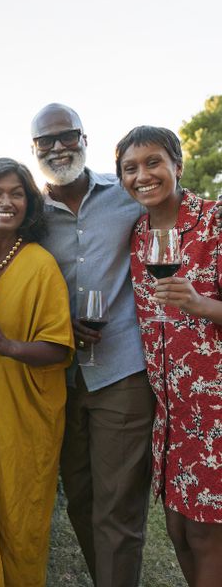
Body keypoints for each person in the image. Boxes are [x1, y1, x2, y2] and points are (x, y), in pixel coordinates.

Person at [30, 103, 155, 587]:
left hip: (122, 368)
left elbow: (178, 213)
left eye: (68, 135)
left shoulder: (126, 195)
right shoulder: (30, 215)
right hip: (59, 374)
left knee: (118, 504)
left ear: (85, 138)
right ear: (35, 148)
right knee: (81, 497)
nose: (59, 146)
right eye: (47, 140)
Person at [0, 158, 74, 586]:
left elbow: (59, 347)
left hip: (25, 412)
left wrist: (9, 346)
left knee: (20, 518)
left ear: (30, 204)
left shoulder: (40, 264)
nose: (6, 202)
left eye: (17, 193)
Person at [116, 125, 222, 587]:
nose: (143, 175)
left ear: (177, 165)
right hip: (173, 415)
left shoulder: (216, 221)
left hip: (215, 410)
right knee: (179, 531)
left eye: (153, 162)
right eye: (130, 168)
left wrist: (200, 304)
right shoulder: (138, 234)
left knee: (206, 537)